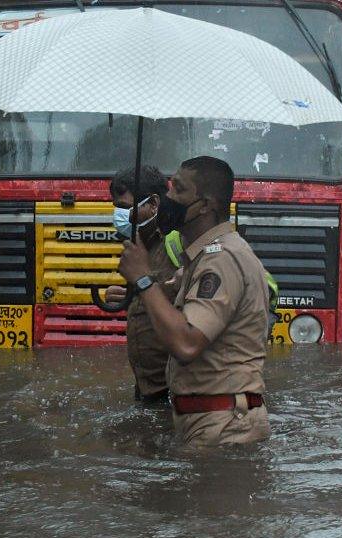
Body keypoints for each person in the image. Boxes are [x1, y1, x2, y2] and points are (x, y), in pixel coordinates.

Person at [117, 156, 271, 446]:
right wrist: (139, 287)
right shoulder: (202, 256)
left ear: (205, 205)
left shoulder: (221, 260)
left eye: (179, 190)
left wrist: (142, 280)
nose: (168, 198)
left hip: (224, 428)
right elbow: (168, 295)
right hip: (210, 421)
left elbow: (187, 343)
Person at [105, 166, 179, 403]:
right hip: (148, 386)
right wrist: (129, 296)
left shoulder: (177, 241)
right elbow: (154, 302)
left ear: (154, 203)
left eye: (126, 208)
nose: (120, 216)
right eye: (116, 208)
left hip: (177, 387)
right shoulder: (138, 247)